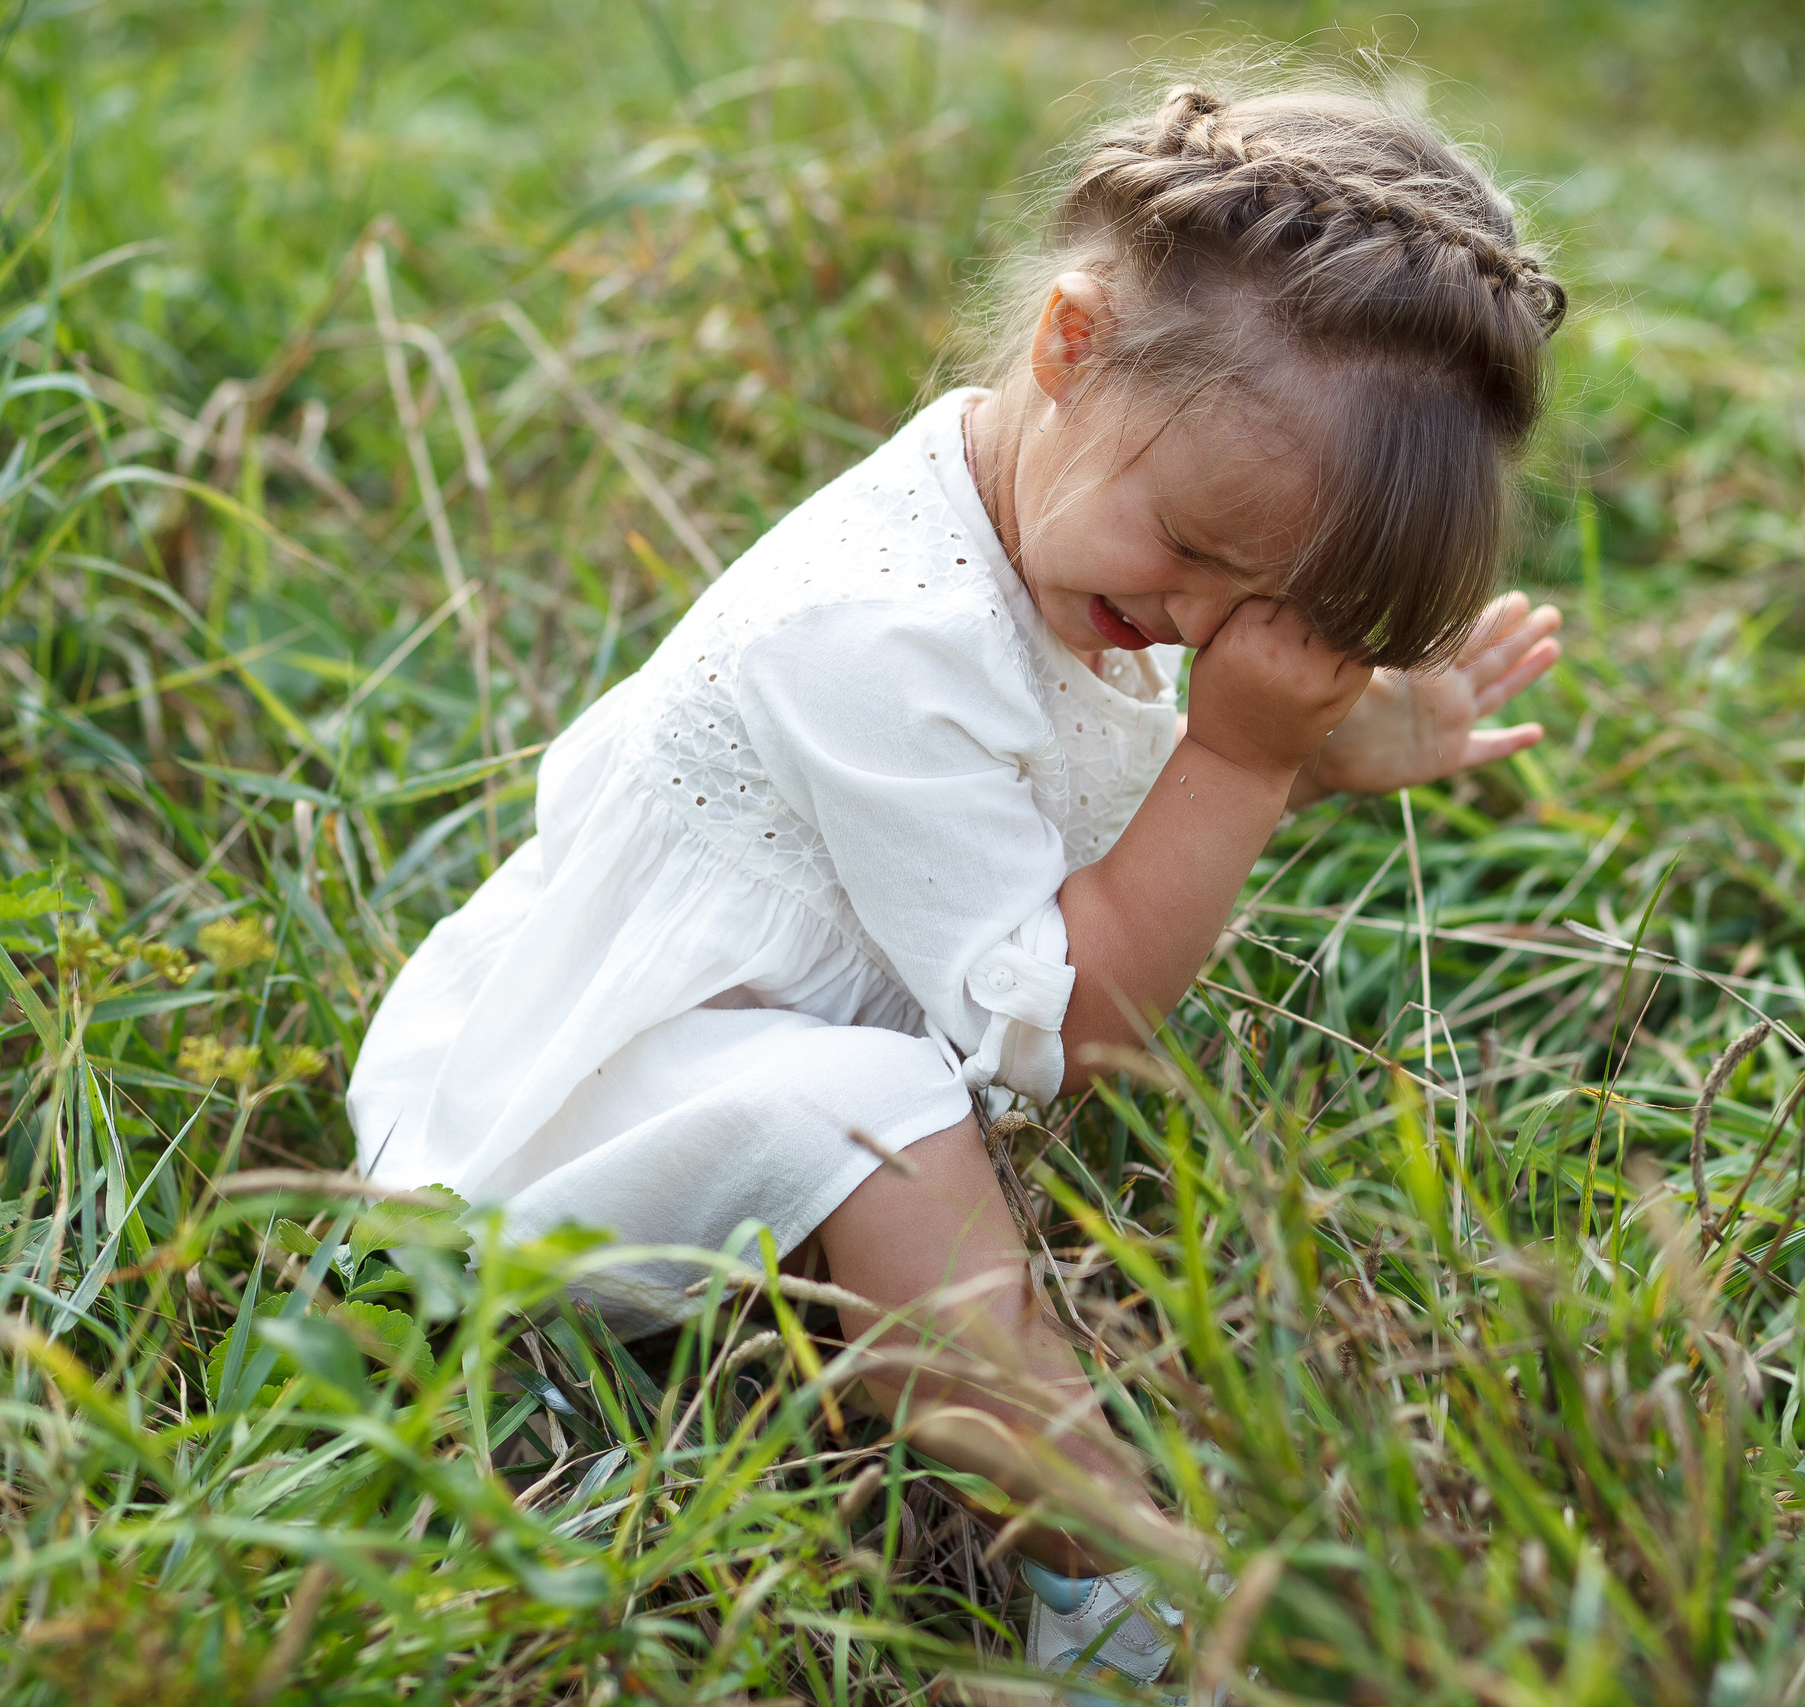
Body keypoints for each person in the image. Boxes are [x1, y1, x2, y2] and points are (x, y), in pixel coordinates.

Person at [348, 76, 1567, 1701]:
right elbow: (1078, 1032)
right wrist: (1246, 759)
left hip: (711, 1042)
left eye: (1280, 613)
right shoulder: (872, 634)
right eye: (1195, 555)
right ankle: (1108, 1570)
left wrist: (1311, 743)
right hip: (540, 1138)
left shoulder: (1064, 526)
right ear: (1069, 344)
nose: (1201, 628)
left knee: (869, 1092)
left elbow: (1109, 759)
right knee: (871, 1116)